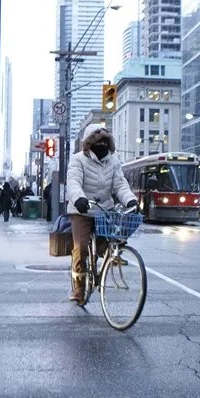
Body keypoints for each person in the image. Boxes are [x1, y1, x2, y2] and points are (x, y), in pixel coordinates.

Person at [65, 124, 137, 304]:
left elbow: (120, 185)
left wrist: (130, 200)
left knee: (111, 241)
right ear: (89, 143)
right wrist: (79, 198)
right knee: (80, 248)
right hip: (82, 210)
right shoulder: (78, 159)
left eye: (105, 141)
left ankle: (103, 260)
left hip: (104, 210)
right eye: (98, 141)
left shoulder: (113, 162)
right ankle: (79, 288)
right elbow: (73, 181)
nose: (102, 145)